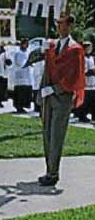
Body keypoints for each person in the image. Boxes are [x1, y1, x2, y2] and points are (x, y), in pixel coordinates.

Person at [34, 12, 85, 186]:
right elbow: (43, 67)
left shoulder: (75, 49)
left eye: (62, 23)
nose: (59, 26)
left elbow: (74, 77)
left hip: (62, 98)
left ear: (70, 26)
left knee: (56, 136)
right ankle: (49, 169)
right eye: (57, 23)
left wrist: (54, 89)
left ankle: (53, 173)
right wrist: (39, 50)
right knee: (47, 135)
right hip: (48, 97)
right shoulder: (52, 45)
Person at [73, 41, 95, 123]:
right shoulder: (82, 58)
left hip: (92, 83)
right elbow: (84, 71)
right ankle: (82, 116)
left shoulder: (91, 58)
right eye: (89, 48)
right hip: (85, 83)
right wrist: (92, 71)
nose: (90, 49)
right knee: (85, 101)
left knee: (92, 101)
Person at [13, 38, 33, 113]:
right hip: (20, 75)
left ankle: (24, 106)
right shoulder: (18, 52)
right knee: (20, 92)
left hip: (27, 76)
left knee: (26, 92)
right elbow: (19, 63)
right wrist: (27, 63)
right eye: (25, 43)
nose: (27, 45)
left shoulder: (28, 52)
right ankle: (19, 107)